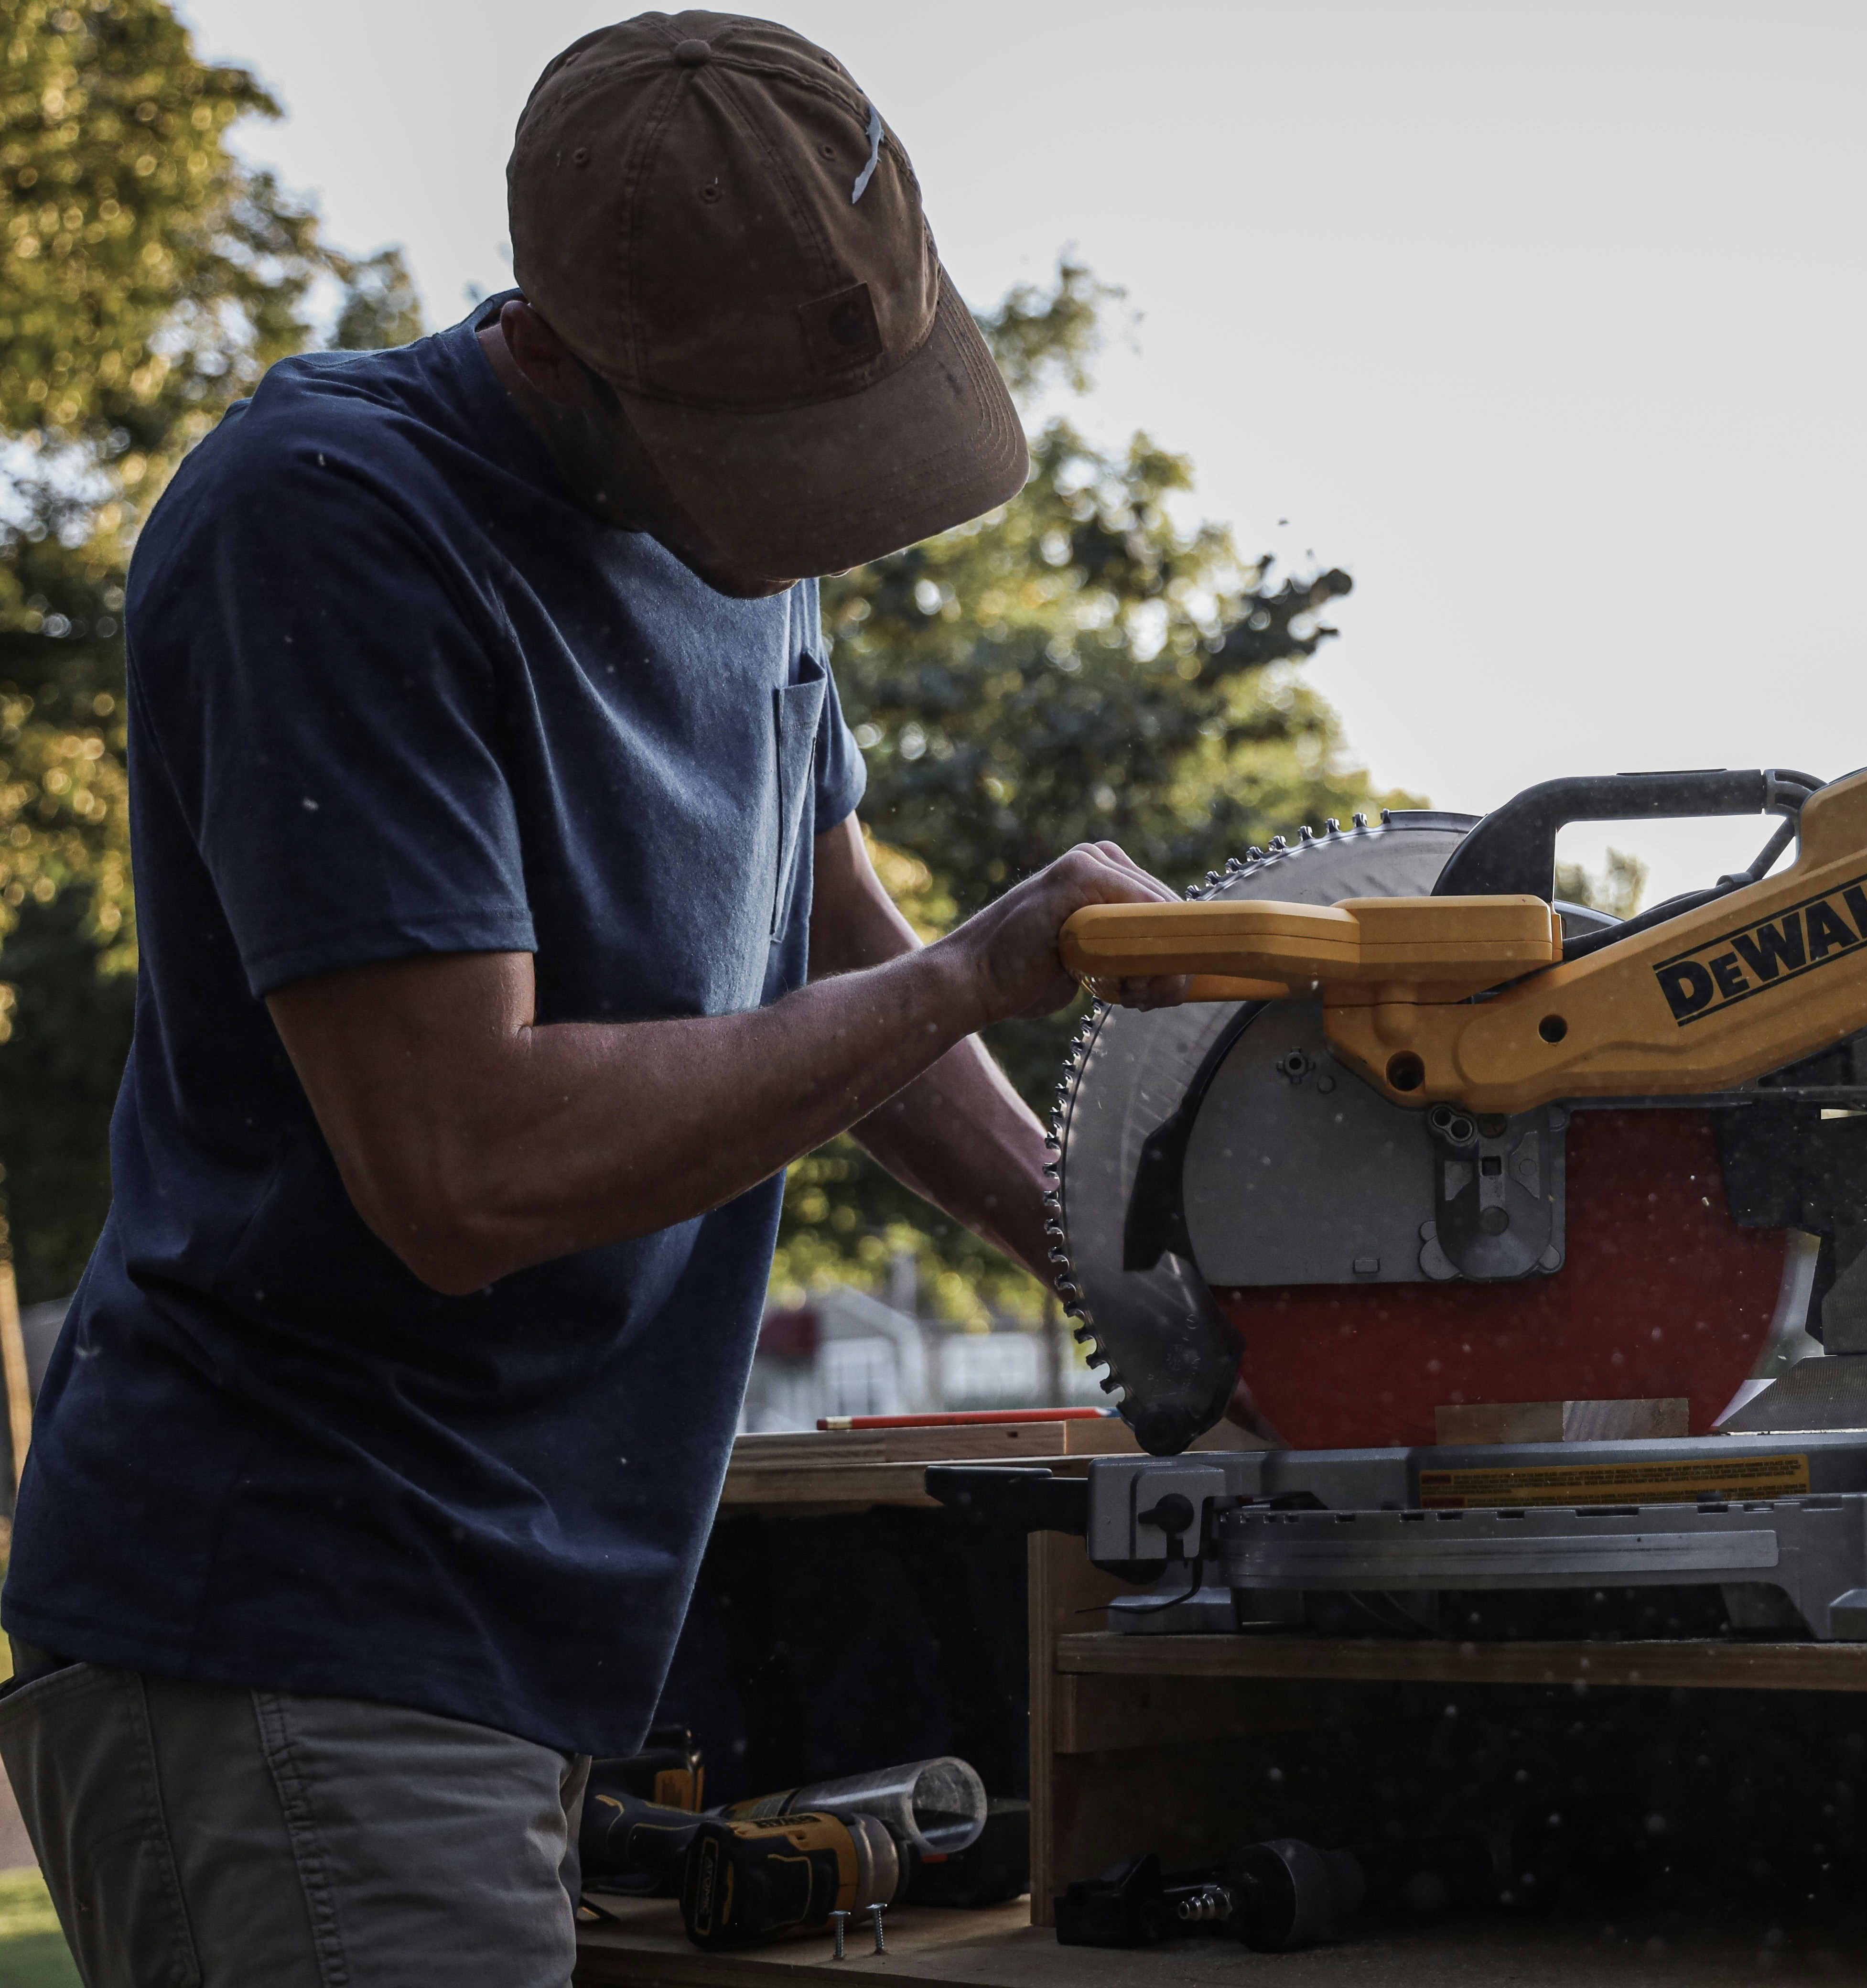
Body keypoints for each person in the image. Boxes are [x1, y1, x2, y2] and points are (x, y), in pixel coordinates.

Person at [0, 12, 1179, 1979]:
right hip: (297, 1614)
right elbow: (465, 1165)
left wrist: (1122, 1258)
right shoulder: (330, 521)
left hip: (540, 1620)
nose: (809, 512)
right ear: (547, 346)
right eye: (766, 465)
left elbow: (828, 948)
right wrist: (994, 957)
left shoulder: (740, 526)